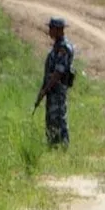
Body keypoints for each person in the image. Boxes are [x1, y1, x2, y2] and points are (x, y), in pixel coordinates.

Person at [35, 17, 74, 148]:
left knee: (59, 118)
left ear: (59, 30)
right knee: (51, 119)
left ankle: (63, 146)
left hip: (57, 90)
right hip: (52, 89)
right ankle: (53, 145)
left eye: (51, 28)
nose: (49, 31)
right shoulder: (57, 47)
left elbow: (58, 72)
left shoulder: (63, 48)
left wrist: (45, 89)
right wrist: (43, 90)